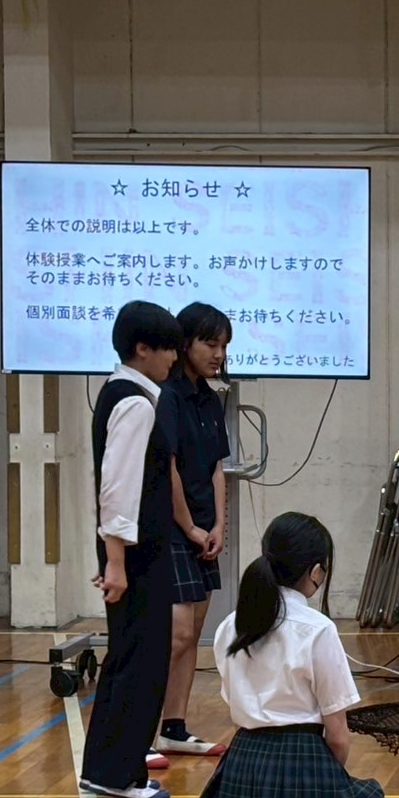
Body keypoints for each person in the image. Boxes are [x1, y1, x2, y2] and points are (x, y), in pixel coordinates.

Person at [151, 512, 399, 798]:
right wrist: (330, 788)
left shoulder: (230, 625)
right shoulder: (318, 629)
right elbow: (338, 736)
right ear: (317, 572)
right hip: (303, 761)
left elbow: (234, 699)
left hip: (241, 767)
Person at [79, 300, 182, 798]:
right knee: (140, 662)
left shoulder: (123, 393)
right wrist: (116, 562)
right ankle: (117, 774)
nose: (174, 358)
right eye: (168, 349)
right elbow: (117, 486)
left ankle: (108, 767)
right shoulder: (136, 403)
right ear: (142, 349)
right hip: (137, 557)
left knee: (129, 658)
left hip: (131, 554)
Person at [155, 302, 235, 759]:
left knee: (194, 633)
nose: (218, 354)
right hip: (172, 531)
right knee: (176, 633)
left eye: (223, 345)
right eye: (210, 343)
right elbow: (168, 467)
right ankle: (139, 731)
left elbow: (217, 467)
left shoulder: (210, 398)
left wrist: (219, 525)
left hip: (204, 530)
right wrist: (187, 526)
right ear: (185, 343)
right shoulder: (167, 396)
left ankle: (174, 727)